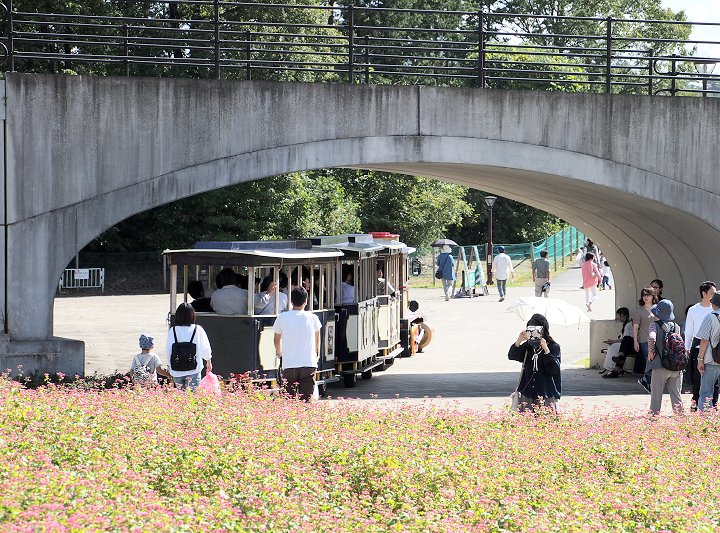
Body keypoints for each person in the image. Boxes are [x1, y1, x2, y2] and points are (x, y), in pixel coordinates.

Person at [273, 286, 322, 402]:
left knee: (288, 399)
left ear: (291, 301)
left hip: (289, 364)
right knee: (306, 400)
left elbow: (276, 340)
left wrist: (280, 353)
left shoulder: (282, 317)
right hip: (308, 363)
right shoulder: (313, 318)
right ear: (305, 301)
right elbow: (317, 341)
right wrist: (315, 355)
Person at [508, 313, 561, 412]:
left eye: (536, 329)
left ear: (543, 330)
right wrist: (519, 340)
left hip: (545, 392)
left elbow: (554, 369)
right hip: (527, 392)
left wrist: (546, 350)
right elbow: (512, 356)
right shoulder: (528, 346)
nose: (533, 333)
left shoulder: (553, 347)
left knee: (545, 420)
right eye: (530, 329)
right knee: (526, 420)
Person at [645, 299, 683, 415]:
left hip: (659, 366)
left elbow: (652, 338)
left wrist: (650, 352)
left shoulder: (654, 325)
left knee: (656, 395)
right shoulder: (676, 327)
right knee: (676, 395)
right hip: (676, 366)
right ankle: (680, 417)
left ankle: (653, 417)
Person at [684, 281, 718, 410]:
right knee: (697, 378)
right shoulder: (694, 310)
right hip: (698, 345)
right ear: (704, 293)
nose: (715, 295)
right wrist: (687, 348)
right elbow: (689, 330)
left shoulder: (714, 311)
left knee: (713, 379)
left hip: (712, 346)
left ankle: (712, 406)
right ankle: (696, 403)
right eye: (712, 293)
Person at [166, 303, 212, 390]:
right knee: (192, 396)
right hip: (194, 369)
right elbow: (205, 348)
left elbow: (169, 350)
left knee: (180, 396)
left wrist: (169, 365)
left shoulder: (173, 330)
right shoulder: (198, 329)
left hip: (177, 370)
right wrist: (208, 361)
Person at [696, 292, 720, 411]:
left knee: (706, 392)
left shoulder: (710, 317)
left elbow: (704, 340)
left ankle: (706, 419)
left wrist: (700, 359)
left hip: (712, 359)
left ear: (714, 304)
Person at [634, 287, 658, 393]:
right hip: (644, 339)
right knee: (649, 360)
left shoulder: (657, 308)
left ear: (653, 296)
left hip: (657, 339)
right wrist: (635, 341)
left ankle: (647, 379)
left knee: (655, 361)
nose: (645, 297)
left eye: (648, 295)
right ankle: (648, 380)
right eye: (644, 295)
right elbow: (635, 327)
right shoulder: (640, 310)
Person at [601, 307, 636, 378]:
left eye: (617, 315)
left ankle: (613, 369)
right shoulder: (626, 324)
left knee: (613, 346)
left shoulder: (628, 325)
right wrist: (612, 341)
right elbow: (623, 339)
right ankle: (617, 367)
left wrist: (613, 341)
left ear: (623, 315)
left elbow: (627, 339)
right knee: (613, 346)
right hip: (626, 346)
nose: (616, 317)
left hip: (630, 346)